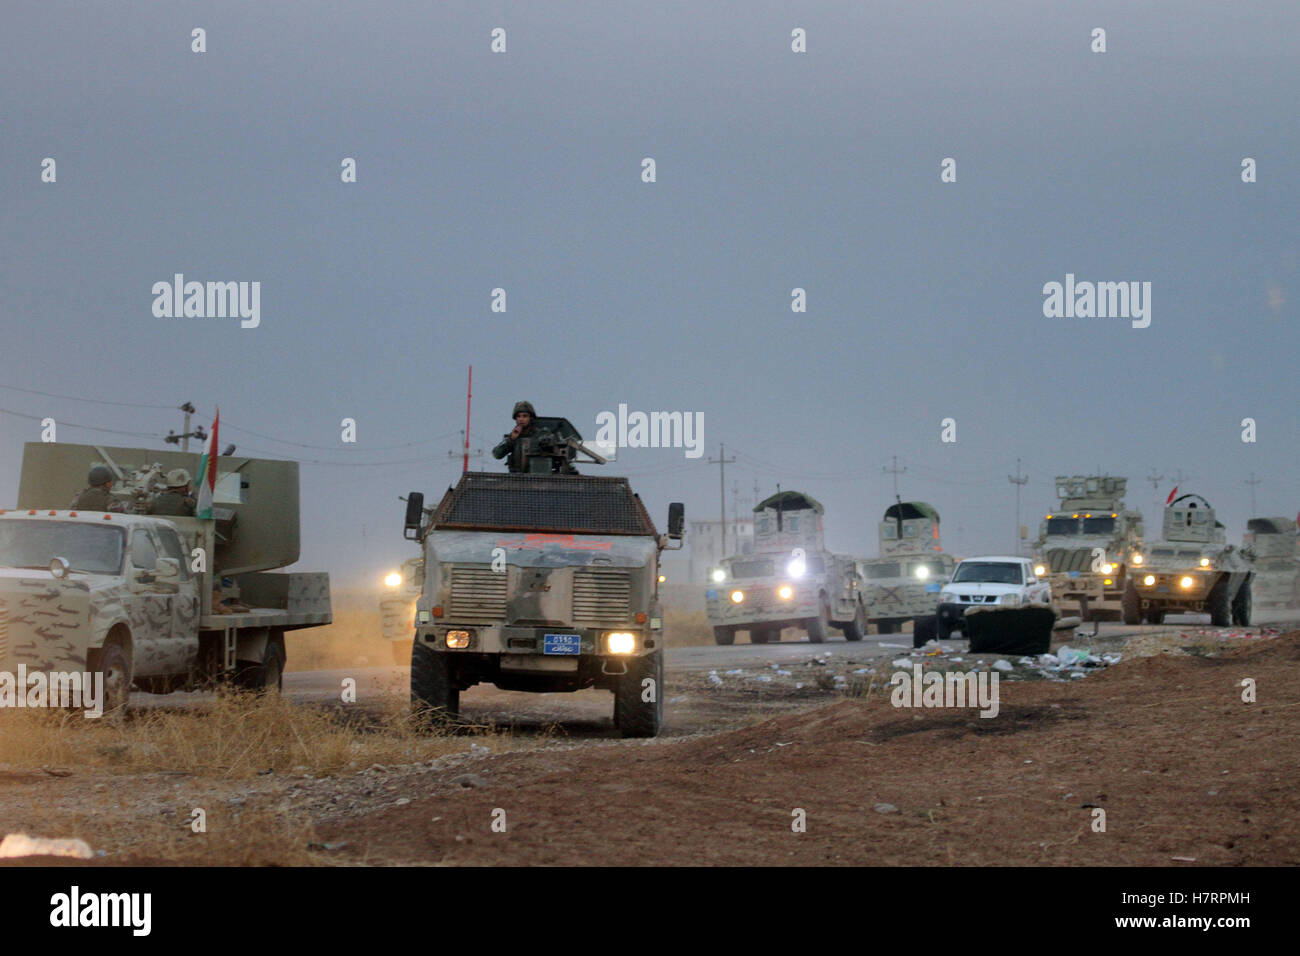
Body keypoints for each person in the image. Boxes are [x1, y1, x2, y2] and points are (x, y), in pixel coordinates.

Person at [492, 401, 539, 473]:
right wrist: (511, 439)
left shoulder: (539, 435)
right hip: (516, 479)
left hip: (538, 478)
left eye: (525, 416)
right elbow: (497, 454)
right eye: (518, 416)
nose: (521, 419)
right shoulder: (513, 437)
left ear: (531, 418)